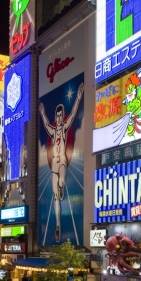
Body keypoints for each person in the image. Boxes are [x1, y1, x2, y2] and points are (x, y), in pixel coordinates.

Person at [39, 82, 84, 242]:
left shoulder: (64, 128)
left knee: (62, 180)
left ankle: (62, 185)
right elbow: (45, 124)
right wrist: (43, 113)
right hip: (54, 167)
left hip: (62, 162)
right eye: (57, 116)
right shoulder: (52, 130)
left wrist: (78, 98)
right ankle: (58, 225)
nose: (58, 118)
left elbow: (73, 114)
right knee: (56, 197)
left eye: (60, 115)